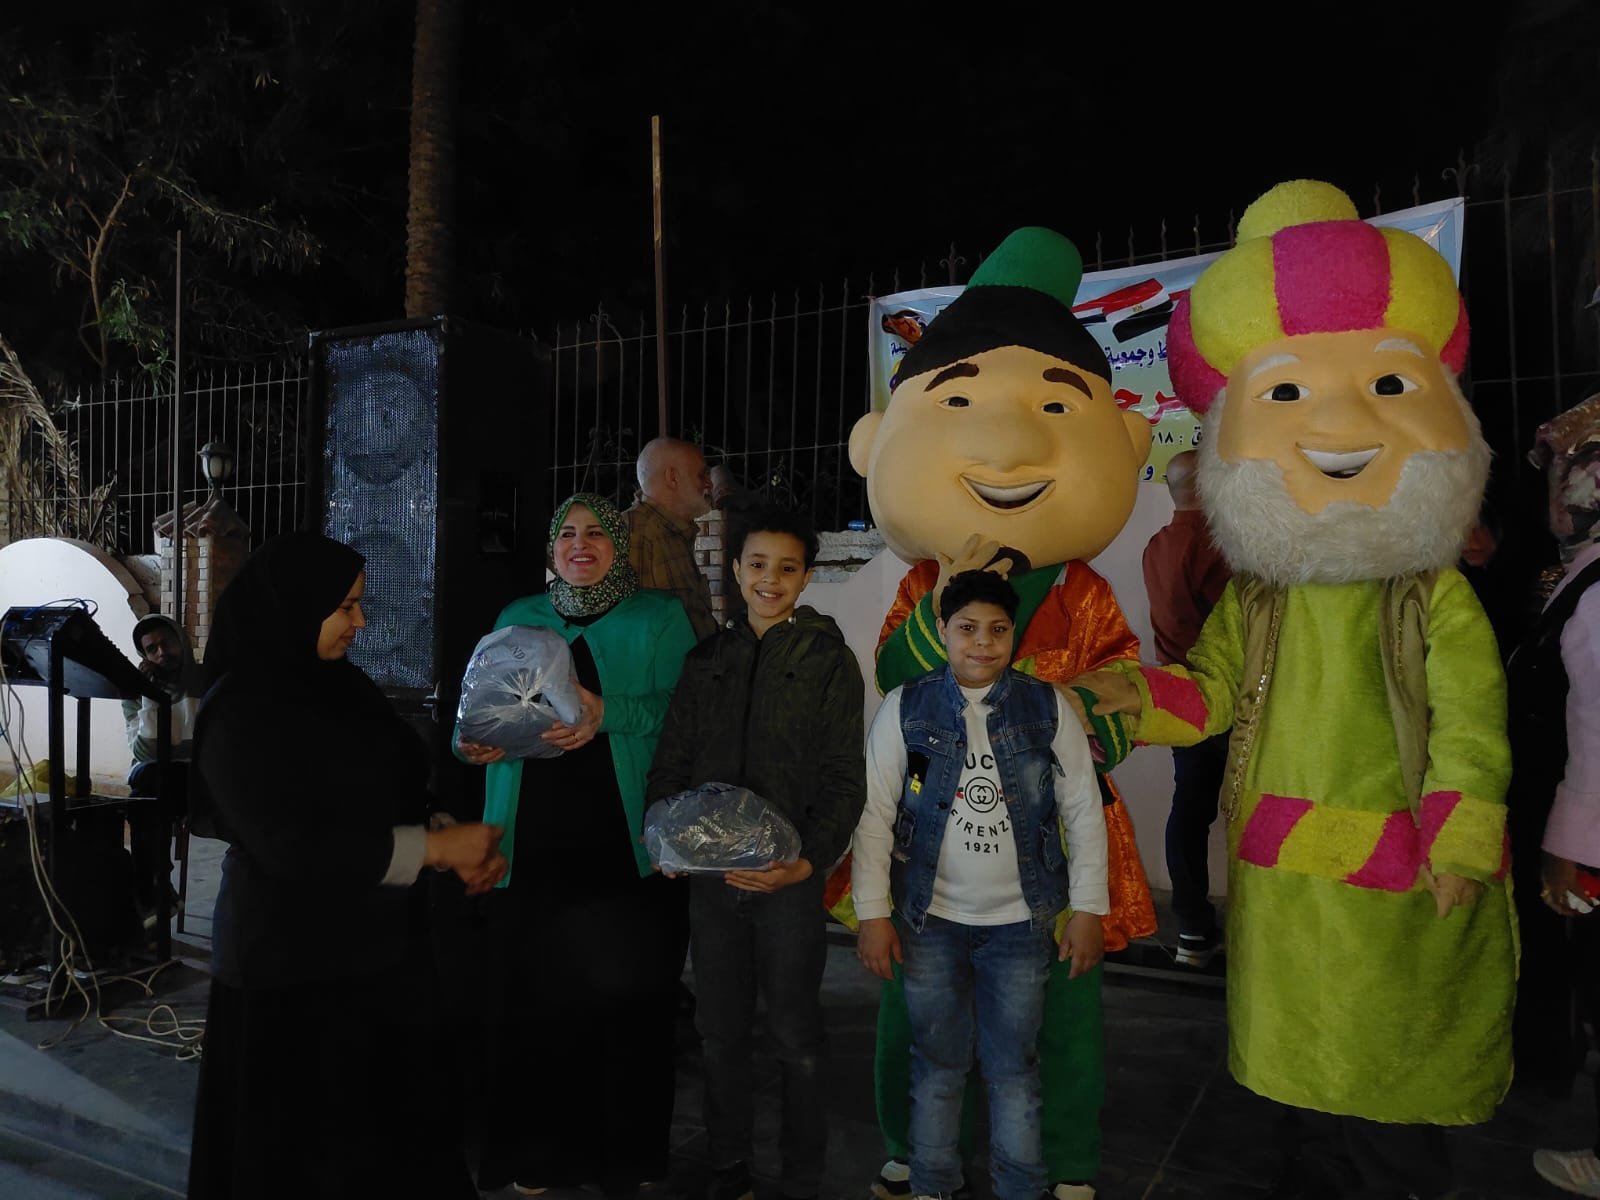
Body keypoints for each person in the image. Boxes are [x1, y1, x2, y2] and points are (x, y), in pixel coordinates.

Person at [1071, 181, 1517, 1199]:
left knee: (1392, 1096)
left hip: (1402, 880)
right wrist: (1131, 698)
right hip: (1282, 883)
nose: (1337, 423)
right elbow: (1211, 688)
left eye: (1387, 387)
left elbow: (1472, 726)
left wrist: (1457, 839)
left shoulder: (1432, 596)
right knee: (1300, 1091)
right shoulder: (1262, 593)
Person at [840, 225, 1154, 1200]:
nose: (1011, 443)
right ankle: (915, 1145)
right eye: (961, 401)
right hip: (933, 843)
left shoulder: (1085, 591)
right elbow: (894, 677)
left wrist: (1075, 722)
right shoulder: (921, 587)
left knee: (1061, 1014)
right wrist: (937, 614)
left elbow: (1120, 689)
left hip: (1055, 845)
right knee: (918, 1013)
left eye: (1055, 406)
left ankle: (1061, 1160)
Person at [187, 532, 505, 1200]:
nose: (359, 622)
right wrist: (433, 851)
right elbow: (291, 845)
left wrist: (444, 835)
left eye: (359, 604)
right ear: (294, 607)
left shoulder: (341, 687)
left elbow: (392, 788)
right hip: (292, 974)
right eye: (345, 607)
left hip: (377, 962)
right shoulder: (241, 711)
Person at [457, 492, 699, 1196]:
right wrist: (469, 744)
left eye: (596, 532)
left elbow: (684, 714)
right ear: (550, 549)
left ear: (619, 547)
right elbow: (479, 706)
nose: (581, 544)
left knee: (626, 1004)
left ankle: (622, 1158)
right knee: (534, 1004)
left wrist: (605, 712)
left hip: (621, 845)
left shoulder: (658, 617)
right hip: (530, 843)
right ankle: (535, 1157)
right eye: (567, 533)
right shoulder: (518, 615)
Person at [852, 570, 1108, 1200]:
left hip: (1020, 926)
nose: (983, 643)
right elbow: (875, 814)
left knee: (1014, 1069)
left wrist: (1087, 909)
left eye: (998, 629)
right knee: (938, 1065)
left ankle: (1021, 1188)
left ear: (1013, 634)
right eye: (967, 628)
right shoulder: (906, 708)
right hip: (930, 923)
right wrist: (873, 913)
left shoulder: (1047, 707)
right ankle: (933, 1184)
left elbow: (1082, 810)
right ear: (943, 630)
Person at [646, 504, 867, 1200]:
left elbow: (844, 777)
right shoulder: (706, 659)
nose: (771, 580)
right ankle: (728, 1165)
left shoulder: (828, 661)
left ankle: (802, 1173)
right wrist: (663, 839)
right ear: (737, 570)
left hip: (788, 884)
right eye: (758, 565)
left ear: (806, 577)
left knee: (796, 1036)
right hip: (711, 886)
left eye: (787, 568)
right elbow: (670, 763)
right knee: (720, 1033)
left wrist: (808, 862)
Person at [1505, 394, 1600, 1196]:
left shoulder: (1598, 587)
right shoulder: (1581, 571)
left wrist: (1566, 847)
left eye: (1569, 468)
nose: (1557, 487)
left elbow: (1595, 728)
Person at [1139, 450, 1231, 966]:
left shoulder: (1156, 546)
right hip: (1224, 697)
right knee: (1247, 811)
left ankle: (1192, 928)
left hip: (1178, 696)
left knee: (1189, 811)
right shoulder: (1219, 547)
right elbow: (1232, 631)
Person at [121, 613, 200, 916]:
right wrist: (150, 695)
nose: (161, 652)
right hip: (158, 779)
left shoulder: (204, 680)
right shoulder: (135, 690)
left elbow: (206, 745)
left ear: (182, 641)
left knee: (148, 790)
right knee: (148, 788)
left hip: (197, 779)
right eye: (151, 649)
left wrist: (172, 752)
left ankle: (150, 888)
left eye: (167, 643)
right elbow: (145, 750)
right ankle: (156, 883)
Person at [627, 435, 718, 640]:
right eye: (702, 475)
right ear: (672, 477)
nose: (709, 484)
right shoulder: (635, 531)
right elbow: (634, 630)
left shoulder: (674, 530)